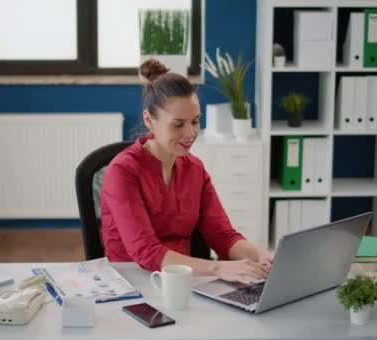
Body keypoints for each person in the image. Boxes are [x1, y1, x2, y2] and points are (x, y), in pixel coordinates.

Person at [100, 59, 274, 284]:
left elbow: (222, 236)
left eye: (195, 121)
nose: (191, 133)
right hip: (134, 282)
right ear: (149, 120)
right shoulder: (122, 172)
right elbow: (147, 252)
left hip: (185, 279)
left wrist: (263, 256)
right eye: (178, 124)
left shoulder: (195, 169)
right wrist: (218, 268)